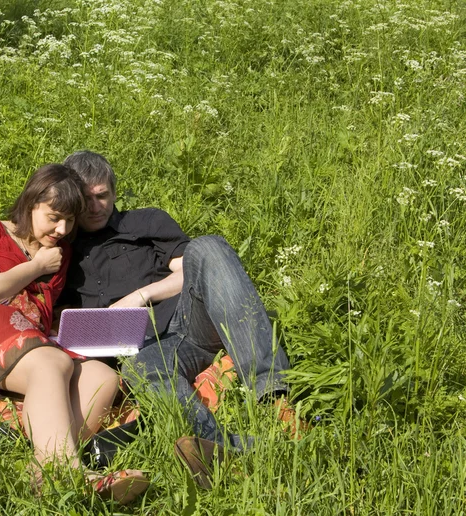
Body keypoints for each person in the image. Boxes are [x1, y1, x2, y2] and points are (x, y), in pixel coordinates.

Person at [0, 163, 148, 504]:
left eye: (69, 221)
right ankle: (69, 475)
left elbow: (47, 308)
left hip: (31, 339)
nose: (62, 229)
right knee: (51, 364)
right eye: (53, 217)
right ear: (31, 202)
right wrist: (36, 267)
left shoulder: (59, 252)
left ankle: (42, 469)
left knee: (103, 378)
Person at [60, 151, 300, 488]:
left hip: (187, 321)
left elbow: (189, 272)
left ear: (114, 193)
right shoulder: (62, 248)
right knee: (143, 368)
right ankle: (217, 449)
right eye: (87, 199)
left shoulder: (145, 222)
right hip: (140, 350)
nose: (97, 206)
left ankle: (274, 397)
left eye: (103, 196)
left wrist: (141, 296)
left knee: (208, 246)